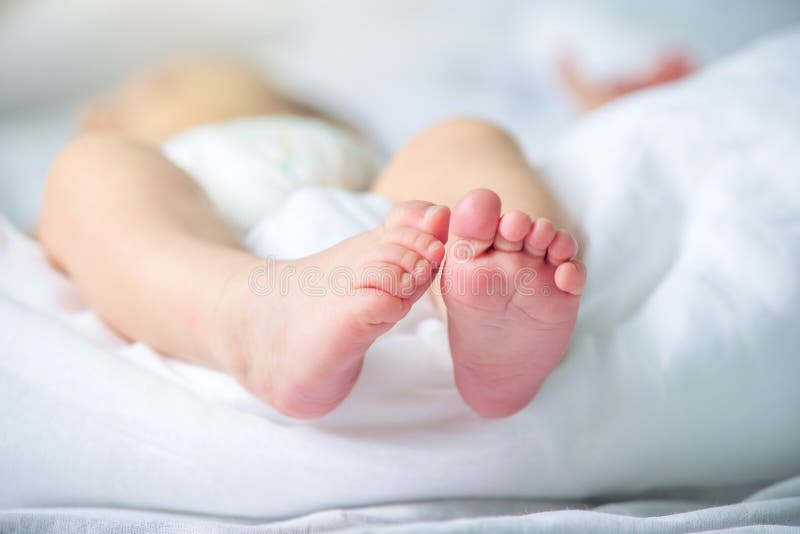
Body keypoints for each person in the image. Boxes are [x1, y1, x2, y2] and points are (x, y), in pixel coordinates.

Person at [37, 56, 681, 420]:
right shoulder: (136, 156)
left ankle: (487, 281)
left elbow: (574, 153)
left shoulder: (357, 146)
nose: (99, 111)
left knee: (464, 139)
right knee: (87, 176)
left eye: (158, 79)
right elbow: (79, 249)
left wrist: (606, 117)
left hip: (379, 198)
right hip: (207, 218)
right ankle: (245, 316)